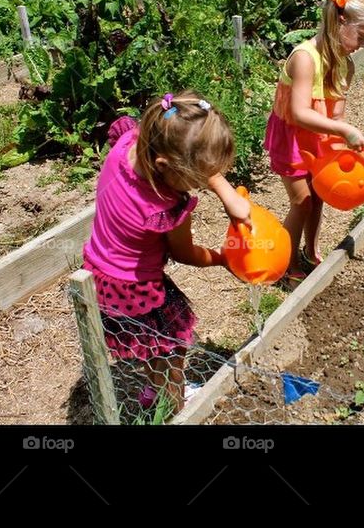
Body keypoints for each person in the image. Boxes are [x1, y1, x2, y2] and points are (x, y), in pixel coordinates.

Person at [82, 91, 251, 416]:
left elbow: (188, 149)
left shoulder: (133, 142)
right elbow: (185, 255)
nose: (200, 184)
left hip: (98, 269)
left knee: (149, 344)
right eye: (196, 178)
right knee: (171, 346)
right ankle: (174, 404)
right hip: (132, 288)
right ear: (165, 166)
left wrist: (226, 193)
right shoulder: (164, 205)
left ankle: (153, 388)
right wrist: (222, 258)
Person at [264, 0, 364, 285]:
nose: (363, 45)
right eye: (361, 36)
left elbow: (336, 115)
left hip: (318, 140)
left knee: (318, 196)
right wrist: (345, 132)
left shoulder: (345, 65)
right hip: (292, 139)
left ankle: (311, 251)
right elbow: (299, 113)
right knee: (301, 201)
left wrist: (345, 148)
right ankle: (286, 264)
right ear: (340, 23)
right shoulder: (305, 59)